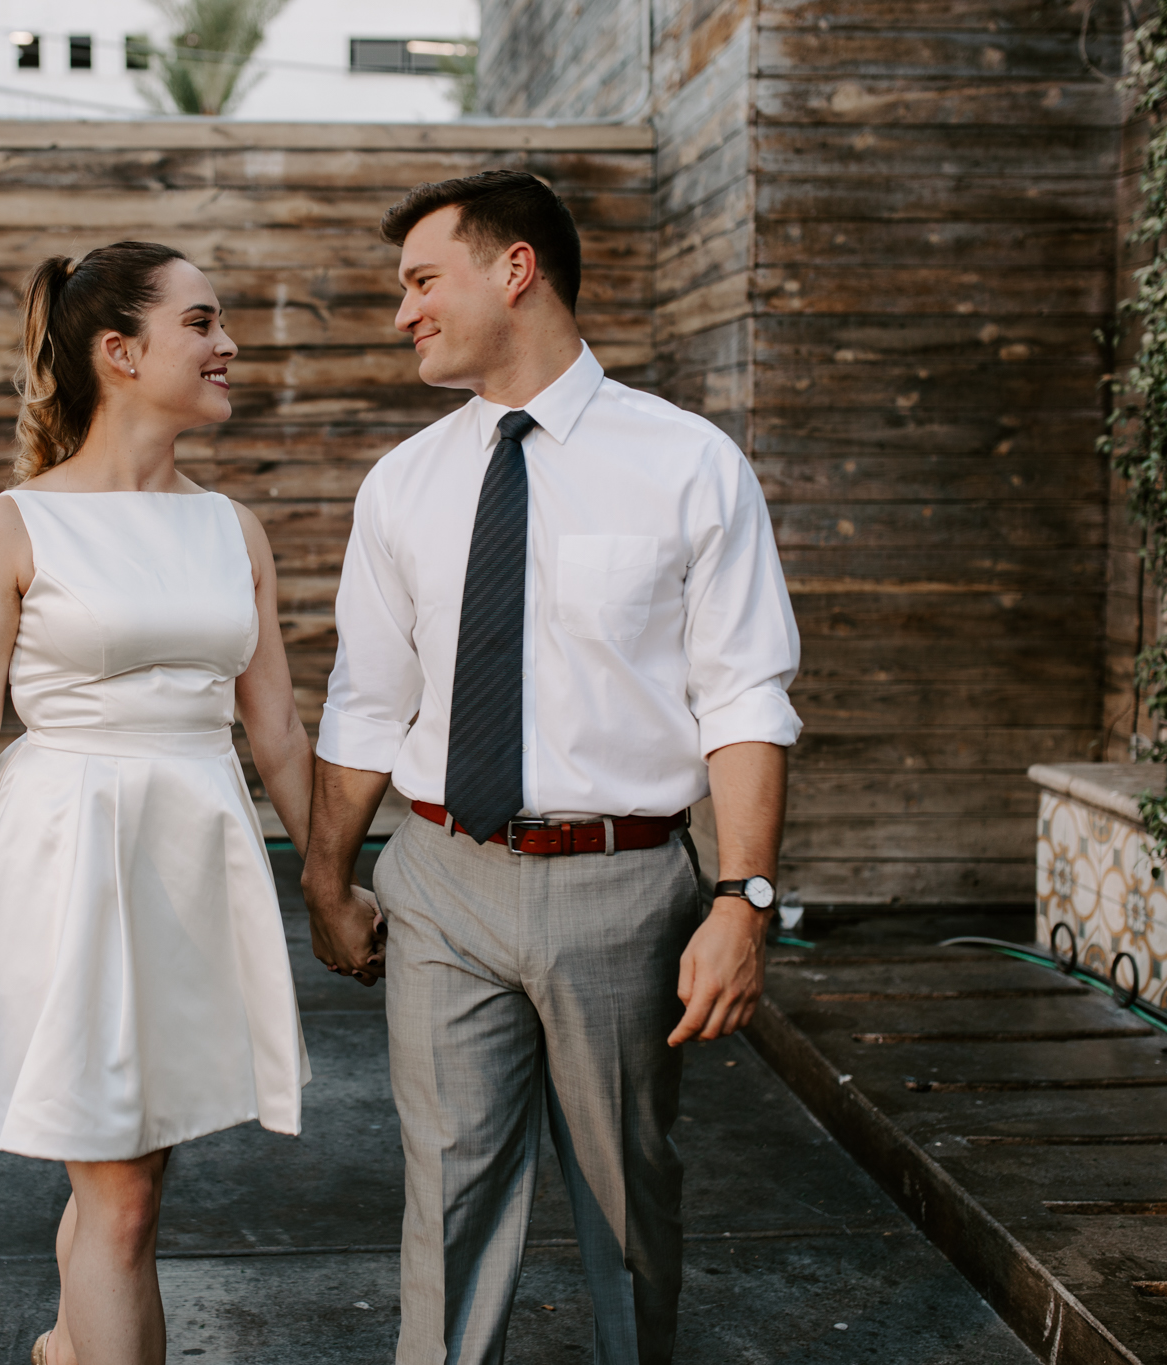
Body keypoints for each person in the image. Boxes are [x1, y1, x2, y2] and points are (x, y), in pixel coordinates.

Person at [301, 169, 802, 1364]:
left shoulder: (686, 465)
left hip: (623, 887)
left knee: (627, 1198)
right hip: (439, 877)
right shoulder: (402, 485)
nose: (402, 312)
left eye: (423, 281)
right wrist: (324, 879)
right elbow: (366, 702)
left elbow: (742, 695)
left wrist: (742, 899)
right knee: (449, 1196)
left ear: (512, 268)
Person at [0, 241, 315, 1365]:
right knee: (115, 1192)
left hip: (190, 861)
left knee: (132, 1173)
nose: (229, 346)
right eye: (202, 323)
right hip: (66, 859)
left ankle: (67, 1350)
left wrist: (329, 881)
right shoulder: (10, 528)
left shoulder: (233, 529)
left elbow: (274, 730)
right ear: (119, 352)